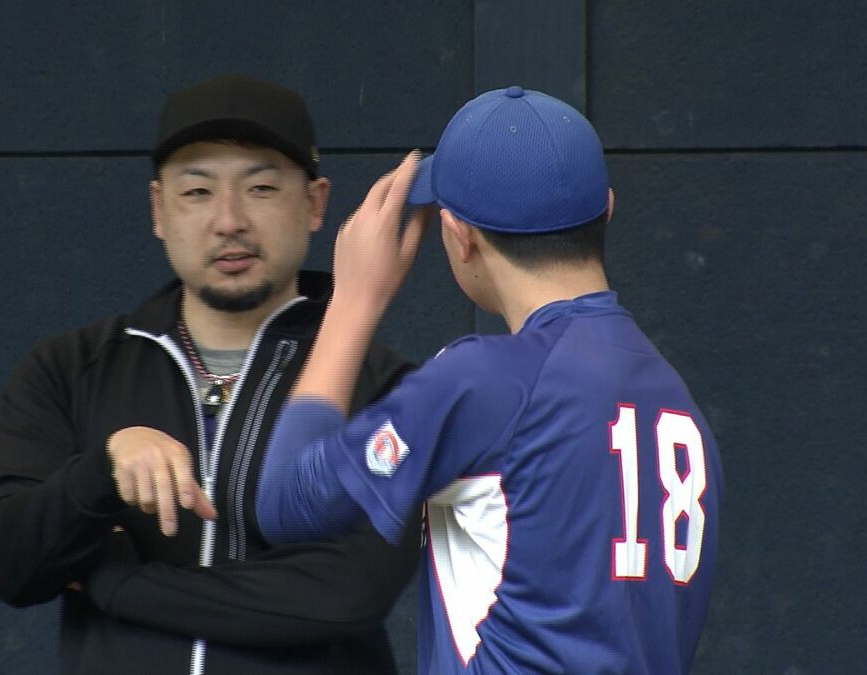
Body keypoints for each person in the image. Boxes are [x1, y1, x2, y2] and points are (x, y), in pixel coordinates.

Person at [256, 86, 723, 673]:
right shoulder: (675, 402)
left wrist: (352, 300)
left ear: (459, 236)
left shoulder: (488, 380)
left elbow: (289, 504)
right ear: (606, 208)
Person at [0, 73, 421, 675]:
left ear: (315, 203)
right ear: (158, 209)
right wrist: (103, 471)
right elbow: (12, 565)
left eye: (261, 187)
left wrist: (114, 582)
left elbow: (345, 595)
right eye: (197, 192)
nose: (229, 220)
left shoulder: (381, 383)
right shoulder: (68, 369)